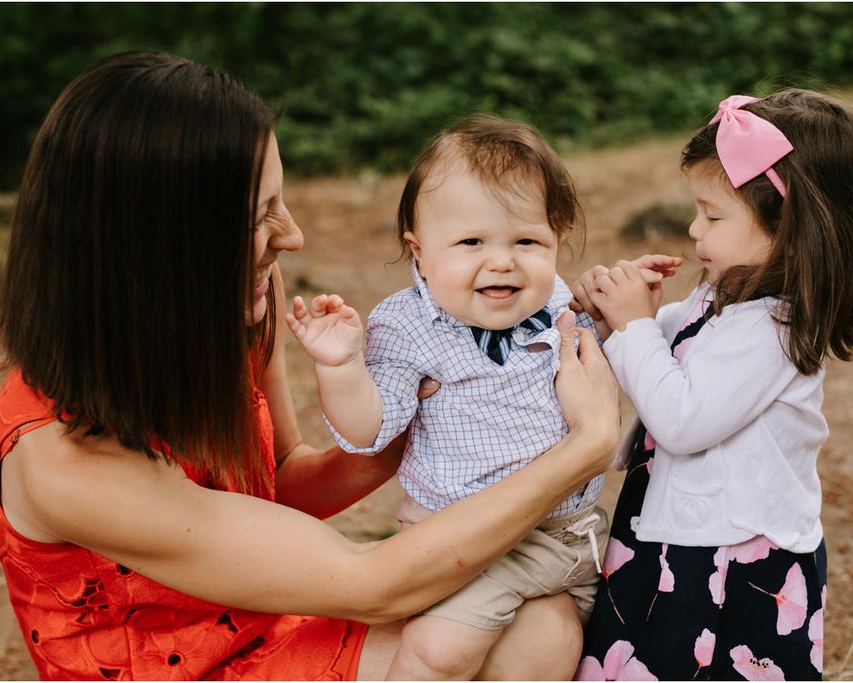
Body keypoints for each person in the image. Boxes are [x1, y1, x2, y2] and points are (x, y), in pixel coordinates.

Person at [0, 51, 621, 681]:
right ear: (160, 244)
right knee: (511, 649)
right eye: (259, 216)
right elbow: (371, 586)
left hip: (274, 607)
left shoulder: (235, 308)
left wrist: (448, 405)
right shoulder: (64, 465)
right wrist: (585, 446)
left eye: (278, 201)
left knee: (544, 629)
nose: (290, 236)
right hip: (193, 667)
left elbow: (278, 482)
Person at [286, 115, 678, 680]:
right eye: (471, 242)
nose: (502, 260)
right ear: (419, 252)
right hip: (468, 542)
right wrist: (342, 367)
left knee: (548, 652)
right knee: (438, 650)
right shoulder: (407, 327)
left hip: (568, 539)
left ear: (556, 242)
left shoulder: (554, 302)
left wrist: (614, 305)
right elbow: (369, 430)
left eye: (527, 241)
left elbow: (586, 352)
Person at [571, 90, 853, 680]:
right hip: (676, 536)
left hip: (735, 558)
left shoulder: (777, 327)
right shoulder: (722, 298)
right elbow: (671, 358)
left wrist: (635, 326)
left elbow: (683, 420)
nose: (695, 229)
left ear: (791, 228)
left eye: (713, 216)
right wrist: (614, 315)